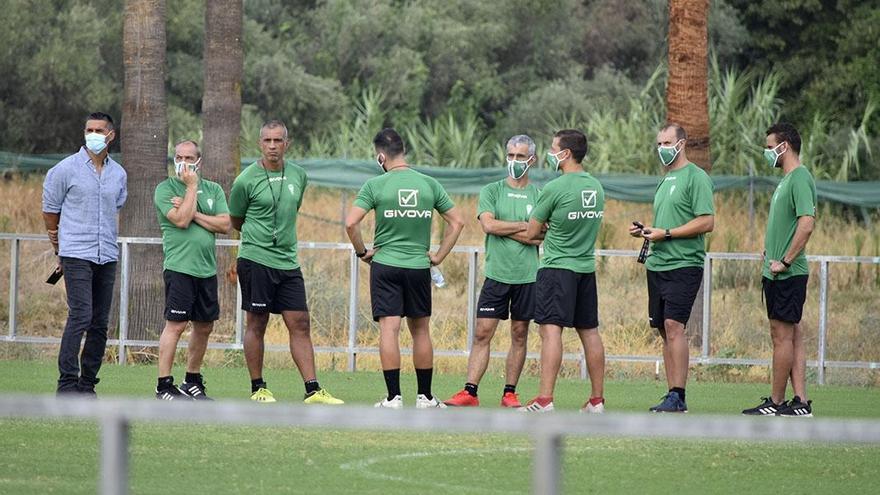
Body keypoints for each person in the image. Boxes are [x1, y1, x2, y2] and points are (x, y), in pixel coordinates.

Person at [345, 128, 464, 409]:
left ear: (381, 156)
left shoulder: (375, 185)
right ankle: (425, 397)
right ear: (404, 152)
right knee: (420, 330)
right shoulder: (428, 184)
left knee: (389, 328)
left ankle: (393, 398)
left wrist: (363, 252)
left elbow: (351, 223)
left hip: (385, 264)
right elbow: (457, 221)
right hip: (418, 266)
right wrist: (438, 256)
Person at [229, 120, 343, 404]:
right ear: (259, 144)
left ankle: (313, 389)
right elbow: (236, 219)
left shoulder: (299, 175)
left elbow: (292, 208)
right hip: (256, 259)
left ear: (286, 144)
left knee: (300, 322)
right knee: (257, 323)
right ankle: (258, 387)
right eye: (267, 141)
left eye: (277, 141)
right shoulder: (246, 179)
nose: (272, 146)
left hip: (288, 262)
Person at [444, 135, 541, 408]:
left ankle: (510, 393)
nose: (514, 161)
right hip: (496, 275)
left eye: (520, 157)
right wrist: (524, 226)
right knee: (482, 333)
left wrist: (508, 228)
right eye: (510, 156)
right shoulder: (491, 191)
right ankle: (470, 392)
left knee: (519, 334)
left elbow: (541, 236)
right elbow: (488, 226)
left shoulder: (539, 195)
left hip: (528, 276)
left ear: (531, 160)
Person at [629, 123, 714, 413]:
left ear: (682, 144)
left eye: (667, 143)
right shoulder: (665, 180)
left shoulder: (696, 177)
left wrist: (666, 233)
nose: (662, 148)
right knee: (664, 331)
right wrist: (648, 231)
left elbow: (706, 222)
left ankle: (679, 395)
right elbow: (668, 222)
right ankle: (671, 394)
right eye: (659, 144)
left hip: (684, 264)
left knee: (674, 326)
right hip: (657, 264)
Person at [520, 129, 606, 413]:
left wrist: (546, 227)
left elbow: (532, 231)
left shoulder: (555, 188)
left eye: (553, 147)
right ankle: (596, 400)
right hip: (585, 268)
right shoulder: (596, 187)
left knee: (551, 332)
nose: (550, 153)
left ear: (566, 153)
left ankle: (544, 399)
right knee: (589, 332)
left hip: (557, 269)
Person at [42, 112, 127, 396]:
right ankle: (67, 383)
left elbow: (116, 204)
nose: (93, 134)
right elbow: (50, 209)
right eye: (89, 129)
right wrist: (58, 246)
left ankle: (87, 384)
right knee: (81, 314)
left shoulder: (118, 173)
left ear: (110, 135)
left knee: (100, 322)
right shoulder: (65, 169)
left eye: (99, 130)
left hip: (107, 254)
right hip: (75, 252)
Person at [742, 122, 816, 417]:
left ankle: (775, 401)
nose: (767, 151)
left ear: (785, 146)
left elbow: (807, 223)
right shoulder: (786, 180)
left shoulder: (799, 177)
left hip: (787, 272)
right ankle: (800, 401)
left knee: (781, 335)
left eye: (770, 146)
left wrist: (784, 259)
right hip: (775, 271)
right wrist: (770, 251)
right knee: (792, 334)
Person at [153, 140, 231, 400]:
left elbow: (224, 224)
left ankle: (192, 380)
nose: (183, 162)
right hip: (179, 268)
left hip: (206, 270)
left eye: (188, 157)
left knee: (204, 326)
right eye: (178, 157)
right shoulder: (165, 189)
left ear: (199, 161)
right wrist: (192, 189)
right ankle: (163, 385)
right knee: (175, 325)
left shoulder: (214, 189)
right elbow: (181, 220)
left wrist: (195, 210)